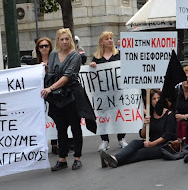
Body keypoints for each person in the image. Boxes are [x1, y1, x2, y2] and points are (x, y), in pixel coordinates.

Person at [41, 28, 96, 171]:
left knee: (75, 126)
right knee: (60, 127)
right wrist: (44, 69)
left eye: (67, 39)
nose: (64, 42)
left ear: (70, 40)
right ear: (58, 41)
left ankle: (77, 158)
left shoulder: (75, 56)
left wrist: (50, 88)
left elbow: (67, 76)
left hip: (71, 94)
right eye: (62, 39)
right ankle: (62, 159)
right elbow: (51, 73)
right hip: (57, 96)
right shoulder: (53, 54)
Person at [99, 89, 175, 168]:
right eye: (154, 99)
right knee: (135, 143)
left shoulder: (169, 114)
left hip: (164, 145)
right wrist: (146, 124)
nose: (156, 101)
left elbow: (167, 135)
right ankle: (113, 159)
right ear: (151, 101)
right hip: (151, 141)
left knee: (142, 152)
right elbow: (143, 135)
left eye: (158, 98)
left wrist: (152, 144)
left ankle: (112, 160)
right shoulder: (150, 114)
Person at [89, 31, 127, 150]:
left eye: (111, 38)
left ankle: (121, 138)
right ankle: (104, 140)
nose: (110, 40)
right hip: (102, 93)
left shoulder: (119, 55)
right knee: (102, 117)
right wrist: (92, 66)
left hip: (117, 91)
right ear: (101, 42)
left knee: (118, 116)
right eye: (107, 39)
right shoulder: (97, 57)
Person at [35, 37, 59, 155]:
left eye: (46, 46)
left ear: (50, 47)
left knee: (53, 118)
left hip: (53, 92)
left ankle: (55, 144)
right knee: (42, 119)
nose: (44, 48)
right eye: (41, 46)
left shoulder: (55, 60)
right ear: (38, 49)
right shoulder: (34, 63)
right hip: (40, 95)